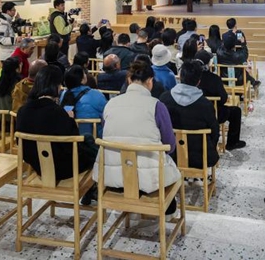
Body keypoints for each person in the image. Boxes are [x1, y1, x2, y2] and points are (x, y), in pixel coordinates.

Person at [94, 60, 180, 213]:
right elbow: (170, 145)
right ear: (150, 81)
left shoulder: (110, 104)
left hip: (112, 177)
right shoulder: (157, 106)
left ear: (129, 80)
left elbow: (105, 132)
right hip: (151, 179)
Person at [17, 66, 98, 197]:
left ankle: (92, 189)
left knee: (87, 140)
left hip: (37, 165)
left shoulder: (23, 110)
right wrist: (70, 119)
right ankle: (96, 186)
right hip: (62, 168)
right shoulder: (57, 112)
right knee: (90, 143)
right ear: (56, 86)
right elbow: (72, 144)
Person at [160, 60, 220, 169]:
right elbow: (214, 132)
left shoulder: (164, 98)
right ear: (198, 81)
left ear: (180, 77)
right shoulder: (205, 105)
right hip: (201, 157)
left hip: (170, 155)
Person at [194, 50, 245, 150]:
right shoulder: (214, 79)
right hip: (215, 113)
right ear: (208, 63)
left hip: (195, 112)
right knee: (236, 111)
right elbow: (223, 98)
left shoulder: (190, 77)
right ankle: (232, 143)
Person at [60, 65, 108, 138]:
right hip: (93, 141)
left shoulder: (63, 96)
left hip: (71, 141)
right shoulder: (97, 95)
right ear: (82, 79)